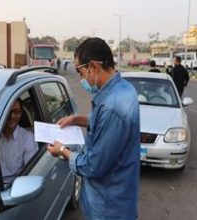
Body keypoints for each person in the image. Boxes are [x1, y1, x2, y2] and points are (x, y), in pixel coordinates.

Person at [47, 37, 140, 220]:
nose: (81, 79)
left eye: (80, 72)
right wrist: (76, 119)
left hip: (108, 208)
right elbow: (102, 123)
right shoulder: (123, 90)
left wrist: (63, 151)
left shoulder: (112, 106)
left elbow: (93, 166)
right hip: (115, 199)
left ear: (94, 67)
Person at [0, 99, 38, 185]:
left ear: (21, 113)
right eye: (8, 112)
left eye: (16, 112)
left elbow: (30, 175)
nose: (11, 116)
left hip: (14, 188)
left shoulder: (27, 138)